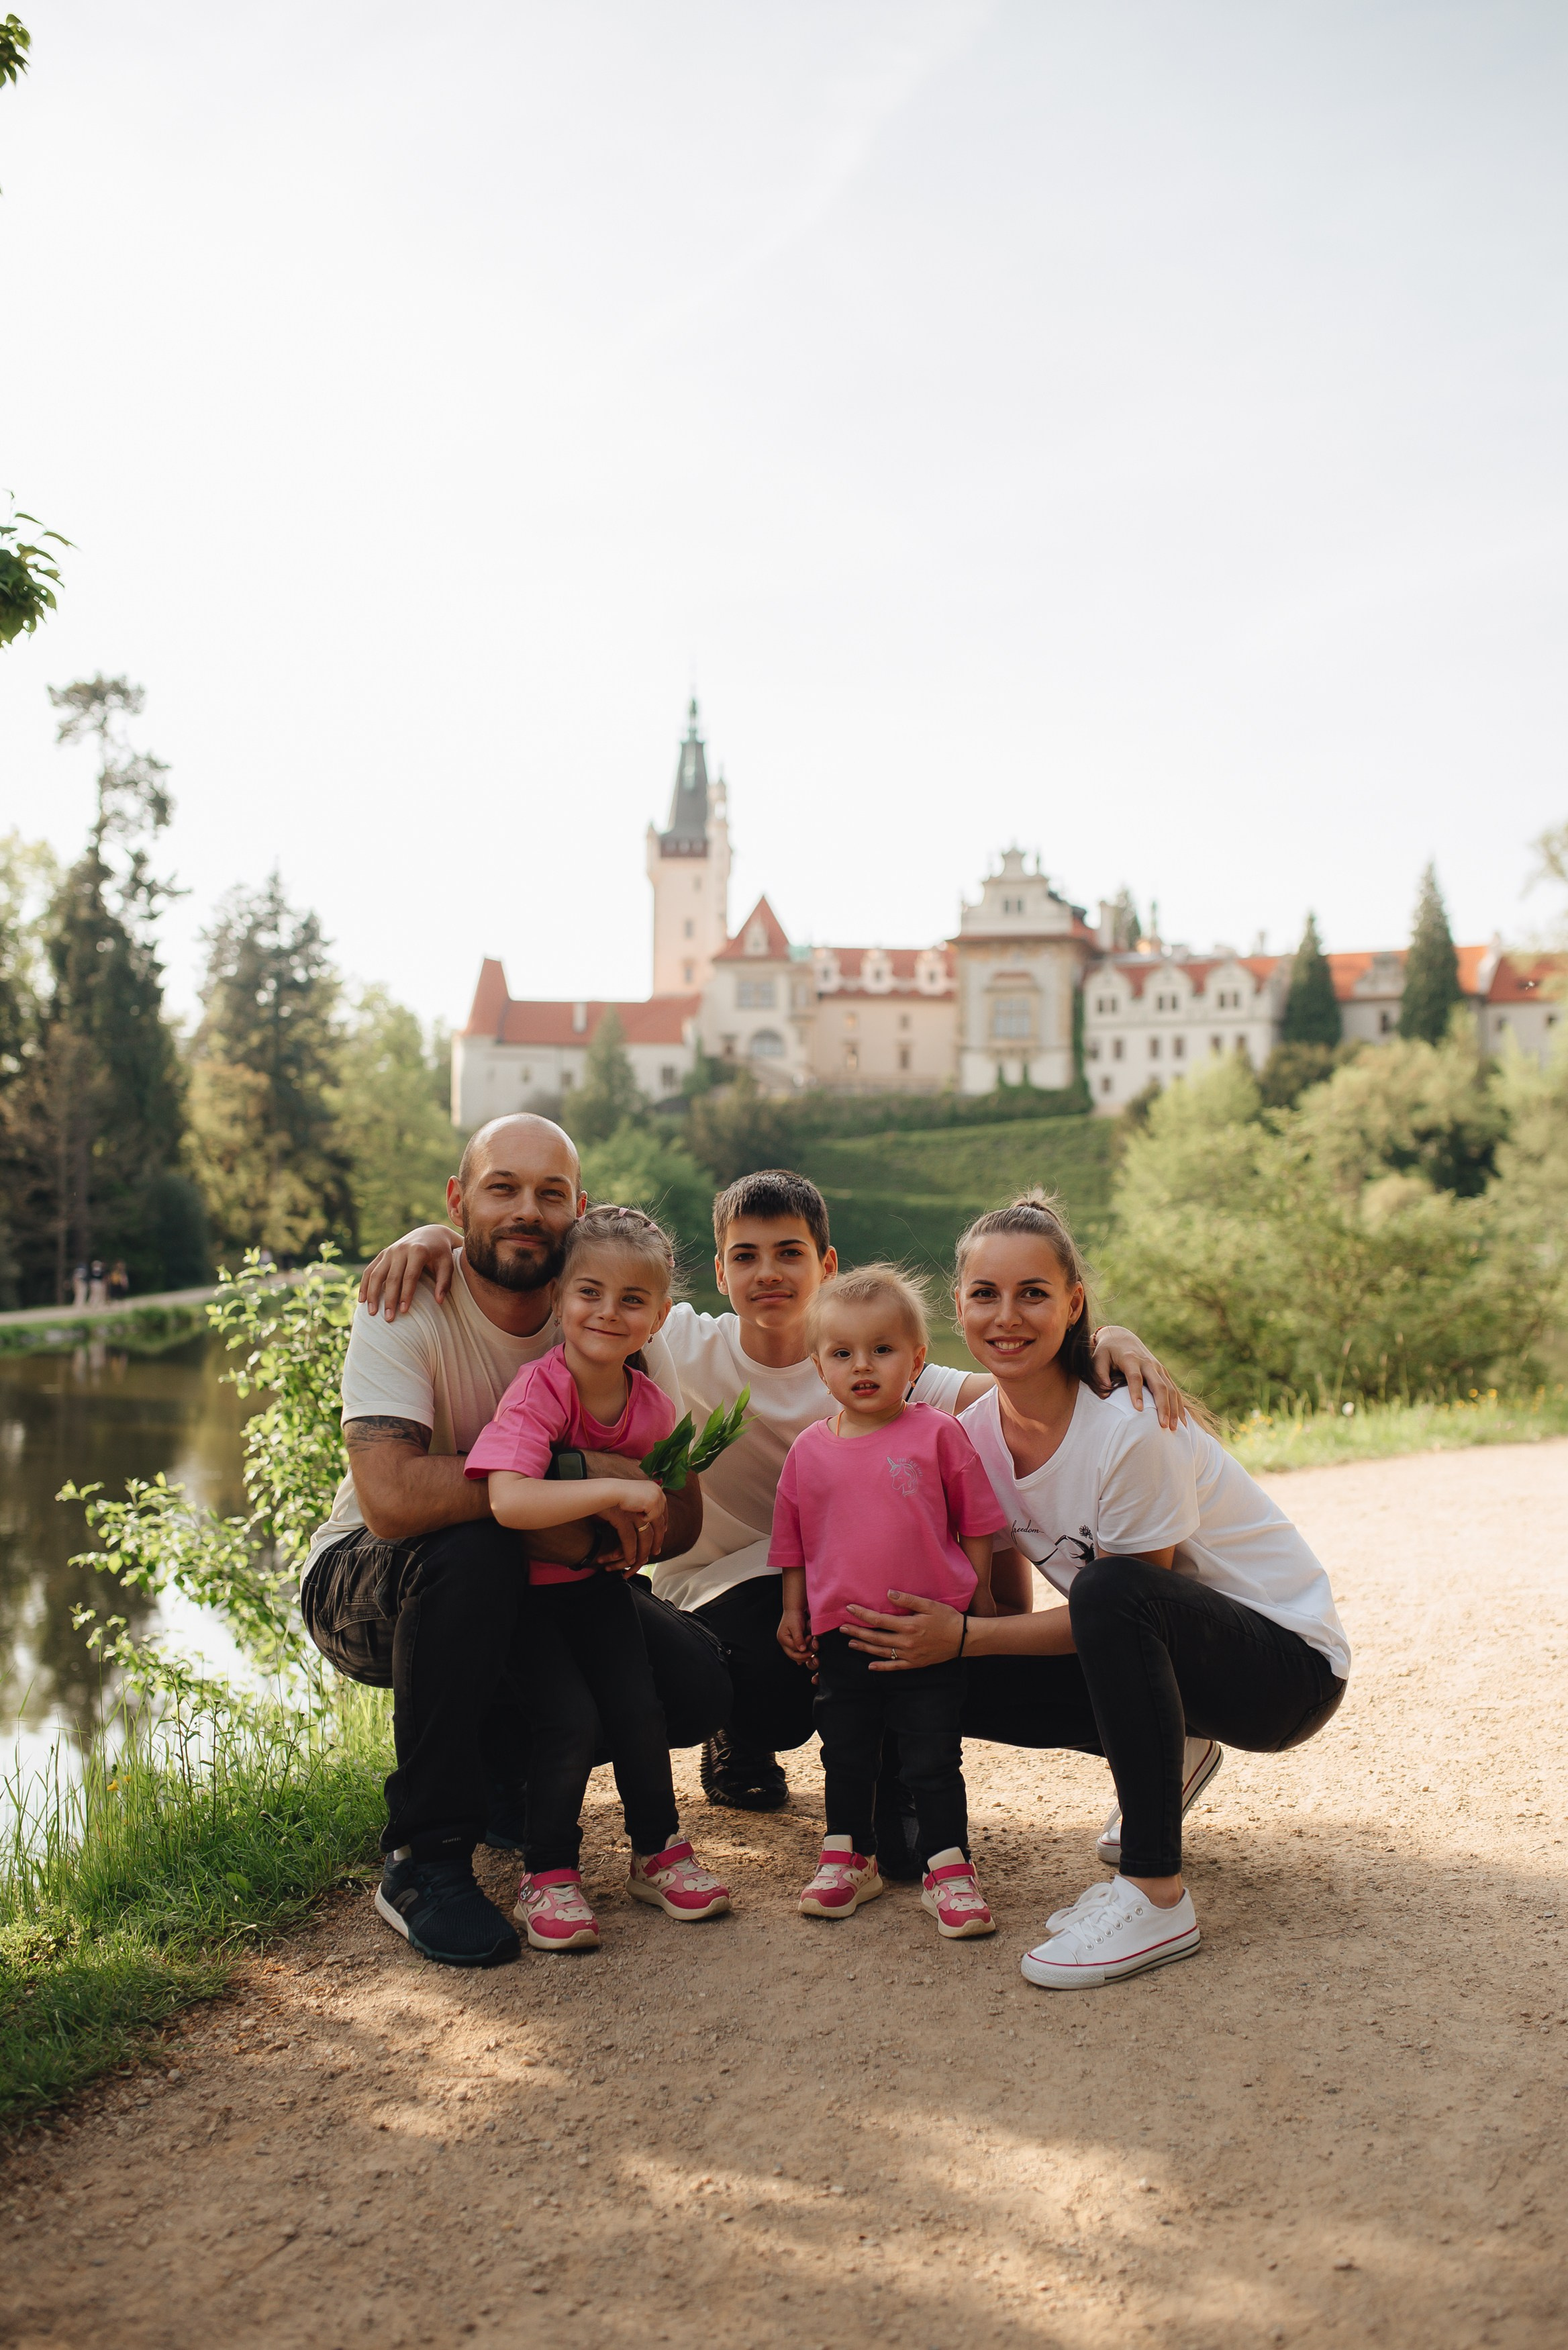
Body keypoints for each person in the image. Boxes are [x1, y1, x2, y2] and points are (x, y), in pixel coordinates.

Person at [360, 1170, 1185, 1871]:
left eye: (789, 1252)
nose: (768, 1274)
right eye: (745, 1256)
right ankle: (737, 1734)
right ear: (718, 1274)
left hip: (842, 1591)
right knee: (768, 1689)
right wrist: (441, 1236)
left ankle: (896, 1778)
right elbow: (589, 1261)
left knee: (888, 1629)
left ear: (825, 1264)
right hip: (718, 1595)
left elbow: (1010, 1385)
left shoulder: (874, 1358)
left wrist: (1100, 1338)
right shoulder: (677, 1341)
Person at [844, 1194, 1351, 1990]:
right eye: (985, 1294)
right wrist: (927, 1642)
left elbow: (1119, 1608)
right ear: (957, 1305)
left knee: (1109, 1587)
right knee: (933, 1669)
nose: (1006, 1316)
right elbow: (1006, 1616)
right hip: (1165, 1663)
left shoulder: (1129, 1424)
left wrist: (965, 1636)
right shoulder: (970, 1439)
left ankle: (1155, 1893)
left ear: (1073, 1303)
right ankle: (1174, 1752)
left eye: (1033, 1294)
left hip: (1283, 1673)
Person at [301, 1115, 730, 1970]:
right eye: (502, 1187)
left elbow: (680, 1514)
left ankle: (507, 1770)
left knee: (695, 1684)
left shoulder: (613, 1318)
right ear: (459, 1201)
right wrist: (586, 1477)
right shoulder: (406, 1299)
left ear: (580, 1209)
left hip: (548, 1576)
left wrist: (605, 1528)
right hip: (370, 1579)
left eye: (549, 1192)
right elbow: (390, 1500)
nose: (526, 1209)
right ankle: (424, 1859)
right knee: (480, 1548)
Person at [467, 1204, 732, 1953]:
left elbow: (666, 1510)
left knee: (639, 1709)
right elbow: (508, 1499)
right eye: (589, 1292)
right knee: (569, 1720)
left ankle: (658, 1852)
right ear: (557, 1298)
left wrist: (633, 1535)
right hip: (527, 1597)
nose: (608, 1312)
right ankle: (547, 1872)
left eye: (632, 1299)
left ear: (658, 1318)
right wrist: (612, 1491)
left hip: (597, 1589)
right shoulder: (540, 1389)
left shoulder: (652, 1408)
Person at [774, 1265, 1008, 1938]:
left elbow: (977, 1522)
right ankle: (849, 1856)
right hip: (842, 1635)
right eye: (842, 1352)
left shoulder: (937, 1433)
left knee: (931, 1756)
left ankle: (948, 1867)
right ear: (818, 1366)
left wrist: (976, 1597)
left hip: (927, 1633)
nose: (862, 1365)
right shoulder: (808, 1451)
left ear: (916, 1358)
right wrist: (793, 1611)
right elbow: (793, 1542)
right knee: (846, 1752)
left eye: (881, 1349)